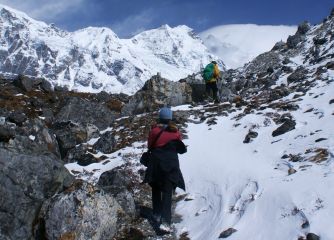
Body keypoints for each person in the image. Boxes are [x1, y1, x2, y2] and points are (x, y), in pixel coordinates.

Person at [143, 107, 187, 233]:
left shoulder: (154, 131)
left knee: (156, 187)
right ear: (170, 118)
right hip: (171, 165)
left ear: (160, 117)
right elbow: (180, 146)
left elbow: (150, 145)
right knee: (168, 192)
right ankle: (166, 222)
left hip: (156, 163)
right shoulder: (175, 132)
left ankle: (156, 213)